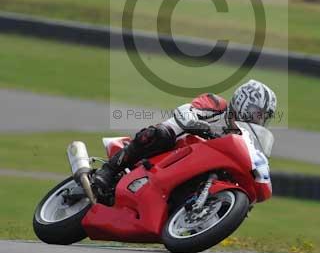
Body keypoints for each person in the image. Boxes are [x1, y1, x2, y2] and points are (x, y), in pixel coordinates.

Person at [94, 79, 277, 193]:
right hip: (177, 147)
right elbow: (185, 111)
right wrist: (201, 126)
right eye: (256, 113)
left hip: (198, 166)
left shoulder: (244, 139)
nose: (258, 119)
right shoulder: (215, 103)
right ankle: (109, 170)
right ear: (241, 102)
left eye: (263, 117)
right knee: (161, 134)